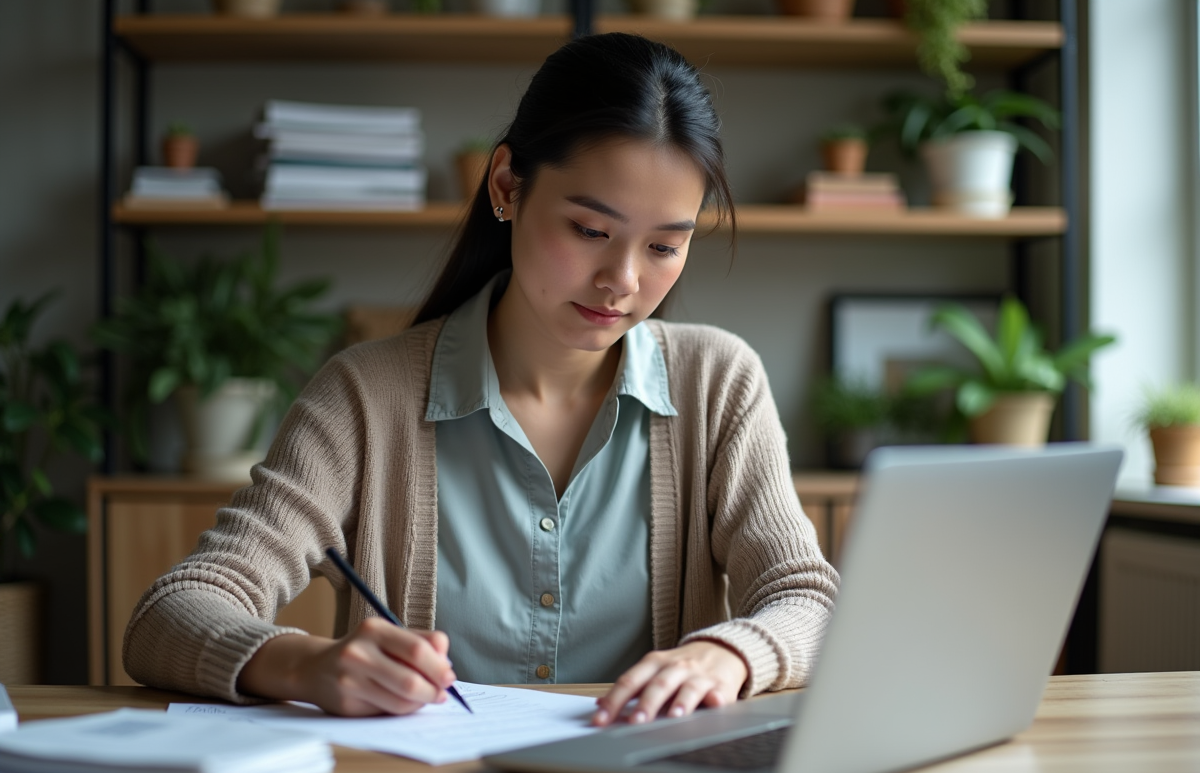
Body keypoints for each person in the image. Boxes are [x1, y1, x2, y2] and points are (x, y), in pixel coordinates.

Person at [124, 32, 839, 727]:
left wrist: (725, 656)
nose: (622, 281)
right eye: (590, 230)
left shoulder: (719, 383)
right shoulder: (366, 397)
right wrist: (306, 665)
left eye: (663, 246)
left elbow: (809, 599)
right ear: (506, 184)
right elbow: (173, 613)